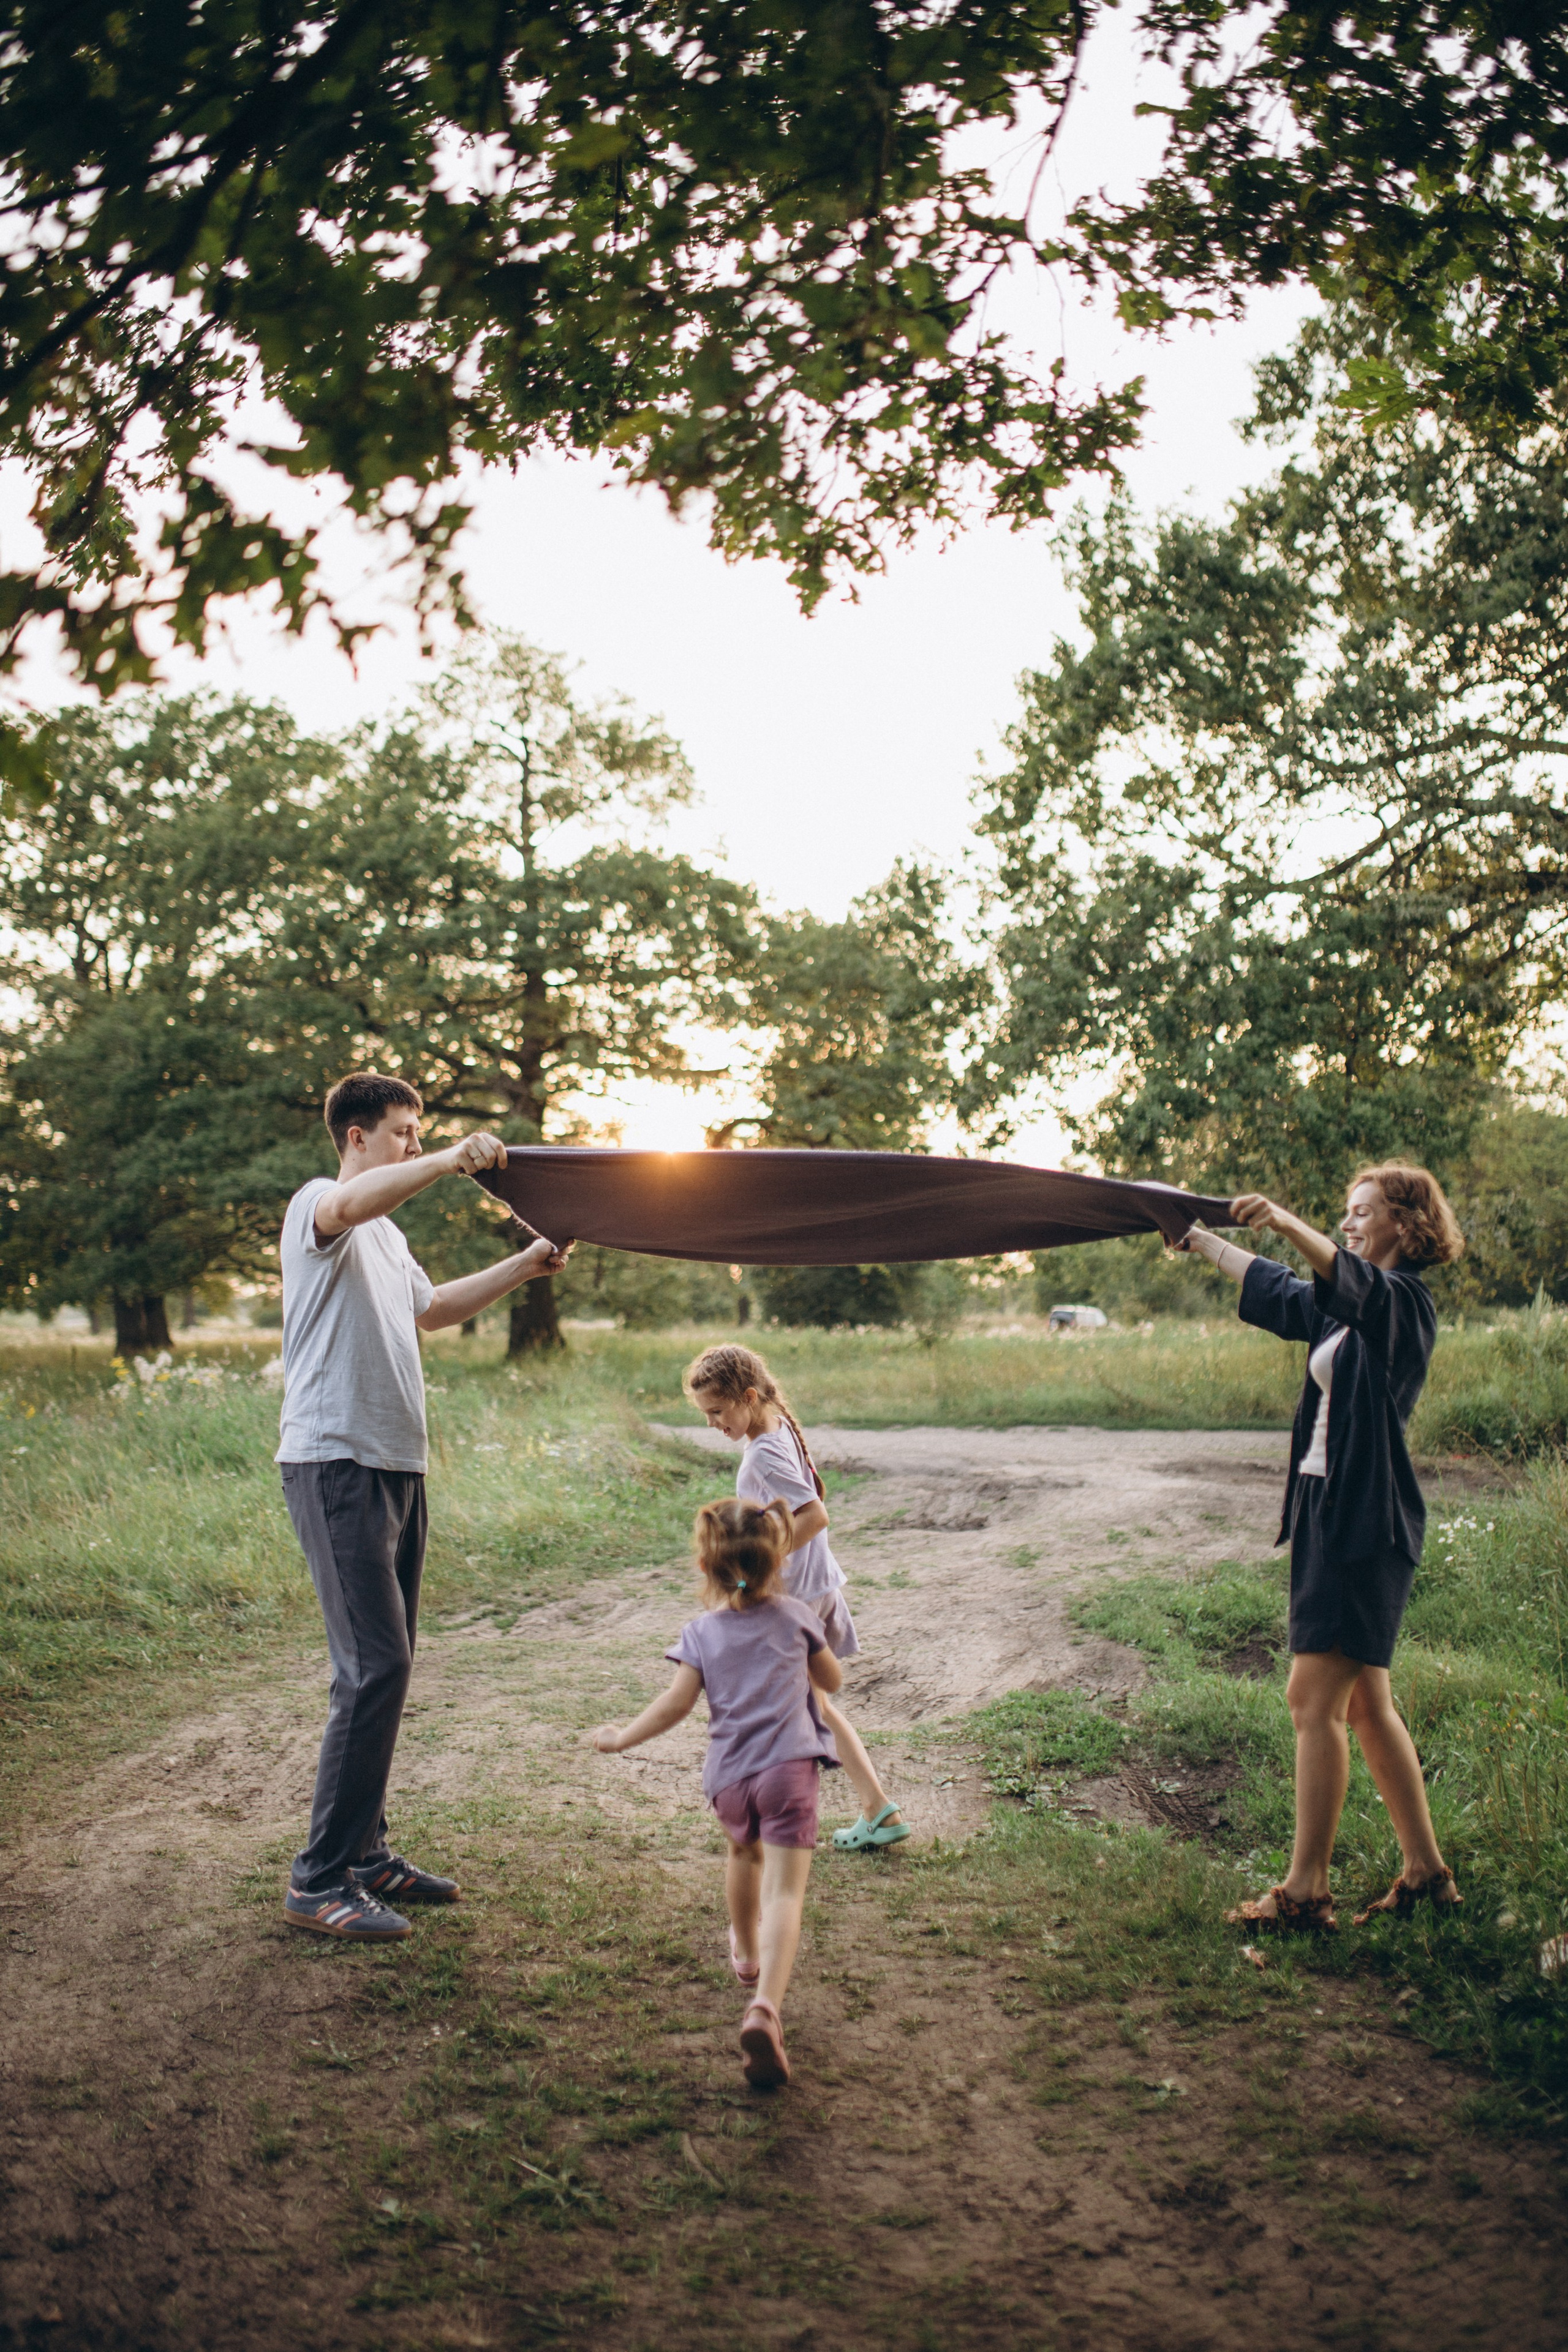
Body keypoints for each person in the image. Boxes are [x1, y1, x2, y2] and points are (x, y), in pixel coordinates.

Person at [277, 1071, 568, 1942]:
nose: (415, 1143)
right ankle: (319, 1880)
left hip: (397, 1465)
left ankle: (366, 1856)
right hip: (335, 1462)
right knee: (376, 1668)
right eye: (403, 1132)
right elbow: (350, 1206)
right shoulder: (319, 1204)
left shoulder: (389, 1238)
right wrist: (446, 1161)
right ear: (357, 1136)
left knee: (386, 1662)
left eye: (420, 1133)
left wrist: (528, 1261)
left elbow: (434, 1311)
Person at [1180, 1162, 1466, 1931]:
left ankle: (1305, 1891)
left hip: (1362, 1522)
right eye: (1343, 1211)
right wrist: (1201, 1240)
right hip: (1327, 1510)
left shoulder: (1401, 1304)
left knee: (1312, 1701)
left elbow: (1344, 1279)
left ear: (1405, 1227)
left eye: (1362, 1211)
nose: (1347, 1223)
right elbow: (1280, 1291)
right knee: (1367, 1707)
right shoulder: (1344, 1309)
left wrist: (1279, 1218)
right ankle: (1426, 1874)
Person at [592, 1497, 842, 2087]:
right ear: (778, 1557)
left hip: (729, 1778)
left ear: (706, 1568)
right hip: (789, 1771)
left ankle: (746, 1954)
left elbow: (676, 1705)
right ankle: (766, 2007)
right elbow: (832, 1679)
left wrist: (620, 1738)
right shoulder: (797, 1616)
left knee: (741, 1854)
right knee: (786, 1893)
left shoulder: (700, 1632)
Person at [683, 1343, 910, 1853]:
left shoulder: (764, 1449)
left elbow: (814, 1515)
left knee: (789, 1707)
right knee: (816, 1706)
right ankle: (877, 1810)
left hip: (800, 1599)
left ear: (747, 1396)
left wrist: (750, 1570)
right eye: (706, 1415)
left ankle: (793, 1814)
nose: (712, 1423)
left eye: (717, 1412)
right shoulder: (774, 1428)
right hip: (814, 1589)